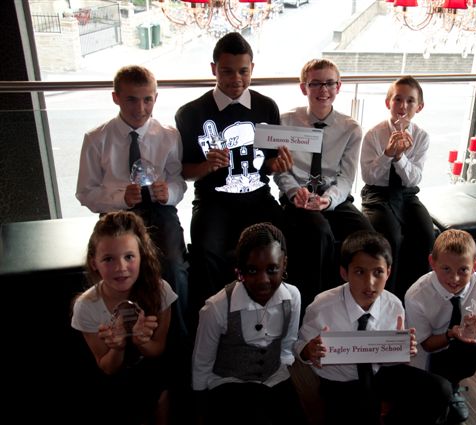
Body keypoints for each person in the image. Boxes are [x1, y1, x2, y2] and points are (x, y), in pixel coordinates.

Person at [175, 32, 292, 315]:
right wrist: (206, 166)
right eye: (227, 71)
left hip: (258, 195)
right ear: (214, 69)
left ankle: (278, 313)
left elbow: (268, 161)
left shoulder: (266, 106)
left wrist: (276, 165)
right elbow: (183, 172)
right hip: (213, 200)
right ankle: (215, 319)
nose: (236, 78)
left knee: (288, 239)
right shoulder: (191, 113)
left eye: (243, 71)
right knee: (205, 252)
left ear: (252, 68)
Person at [76, 65, 189, 340]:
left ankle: (179, 338)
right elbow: (85, 193)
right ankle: (123, 335)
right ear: (116, 97)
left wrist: (169, 193)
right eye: (131, 99)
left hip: (159, 211)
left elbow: (179, 181)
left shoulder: (169, 135)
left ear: (155, 98)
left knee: (173, 266)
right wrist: (119, 199)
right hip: (116, 217)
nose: (140, 107)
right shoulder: (96, 139)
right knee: (119, 268)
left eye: (147, 99)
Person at [295, 230, 451, 425]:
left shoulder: (393, 304)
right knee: (363, 412)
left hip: (379, 373)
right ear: (344, 272)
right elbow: (299, 346)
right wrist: (309, 351)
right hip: (340, 381)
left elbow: (393, 359)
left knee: (440, 390)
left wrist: (404, 351)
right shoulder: (322, 307)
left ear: (389, 272)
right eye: (360, 272)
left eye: (378, 272)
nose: (369, 283)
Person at [275, 58, 373, 309]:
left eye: (329, 83)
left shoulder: (350, 129)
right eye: (315, 84)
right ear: (303, 87)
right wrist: (294, 191)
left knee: (366, 234)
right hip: (297, 197)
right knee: (319, 233)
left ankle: (357, 301)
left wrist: (328, 199)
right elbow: (281, 171)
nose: (323, 90)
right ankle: (315, 305)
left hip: (333, 198)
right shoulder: (285, 123)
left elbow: (347, 178)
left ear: (339, 87)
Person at [192, 223, 305, 424]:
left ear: (284, 264)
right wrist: (201, 405)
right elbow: (202, 362)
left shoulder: (292, 298)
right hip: (229, 382)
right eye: (252, 270)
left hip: (274, 378)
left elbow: (287, 346)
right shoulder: (216, 308)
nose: (263, 280)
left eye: (272, 269)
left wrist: (282, 378)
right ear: (239, 270)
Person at [71, 211, 177, 425]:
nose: (121, 268)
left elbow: (158, 350)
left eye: (129, 257)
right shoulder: (86, 306)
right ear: (94, 263)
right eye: (108, 259)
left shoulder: (160, 290)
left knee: (159, 382)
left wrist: (142, 341)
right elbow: (107, 368)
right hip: (111, 384)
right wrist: (117, 347)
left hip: (151, 374)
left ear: (141, 256)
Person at [405, 229, 476, 424]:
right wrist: (451, 334)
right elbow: (426, 346)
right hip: (429, 354)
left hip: (459, 347)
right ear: (432, 263)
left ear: (474, 266)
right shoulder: (416, 295)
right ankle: (440, 387)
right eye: (446, 269)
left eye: (463, 270)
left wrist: (475, 331)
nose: (454, 279)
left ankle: (452, 385)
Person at [360, 76, 435, 300]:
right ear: (388, 103)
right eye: (398, 99)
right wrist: (388, 154)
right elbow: (368, 176)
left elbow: (414, 179)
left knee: (425, 233)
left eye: (410, 101)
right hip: (377, 193)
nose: (403, 106)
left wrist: (400, 157)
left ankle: (414, 297)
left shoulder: (421, 137)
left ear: (419, 107)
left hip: (407, 193)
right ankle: (386, 297)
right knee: (389, 236)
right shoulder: (374, 134)